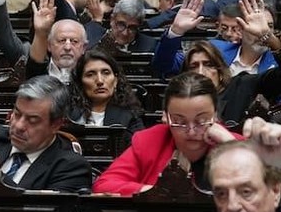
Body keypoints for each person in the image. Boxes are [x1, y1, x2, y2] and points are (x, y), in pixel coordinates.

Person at [93, 71, 239, 196]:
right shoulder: (150, 141)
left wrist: (231, 145)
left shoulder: (231, 141)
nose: (191, 131)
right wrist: (154, 192)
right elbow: (104, 185)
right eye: (179, 121)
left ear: (215, 115)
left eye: (201, 120)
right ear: (166, 117)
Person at [152, 0, 278, 78]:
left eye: (270, 26)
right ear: (241, 27)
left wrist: (268, 37)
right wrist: (176, 31)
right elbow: (162, 66)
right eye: (257, 25)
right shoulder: (215, 49)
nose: (262, 31)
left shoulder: (276, 61)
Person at [68, 49, 144, 142]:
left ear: (115, 80)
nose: (100, 81)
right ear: (80, 83)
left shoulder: (131, 117)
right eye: (90, 74)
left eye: (106, 73)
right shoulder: (68, 115)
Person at [26, 0, 88, 83]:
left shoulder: (91, 75)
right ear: (49, 45)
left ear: (84, 47)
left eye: (74, 41)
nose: (67, 47)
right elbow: (35, 66)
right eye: (62, 41)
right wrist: (41, 32)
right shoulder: (39, 73)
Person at [86, 0, 157, 52]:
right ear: (112, 20)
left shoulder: (149, 46)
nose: (125, 33)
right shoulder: (96, 38)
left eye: (132, 27)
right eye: (121, 24)